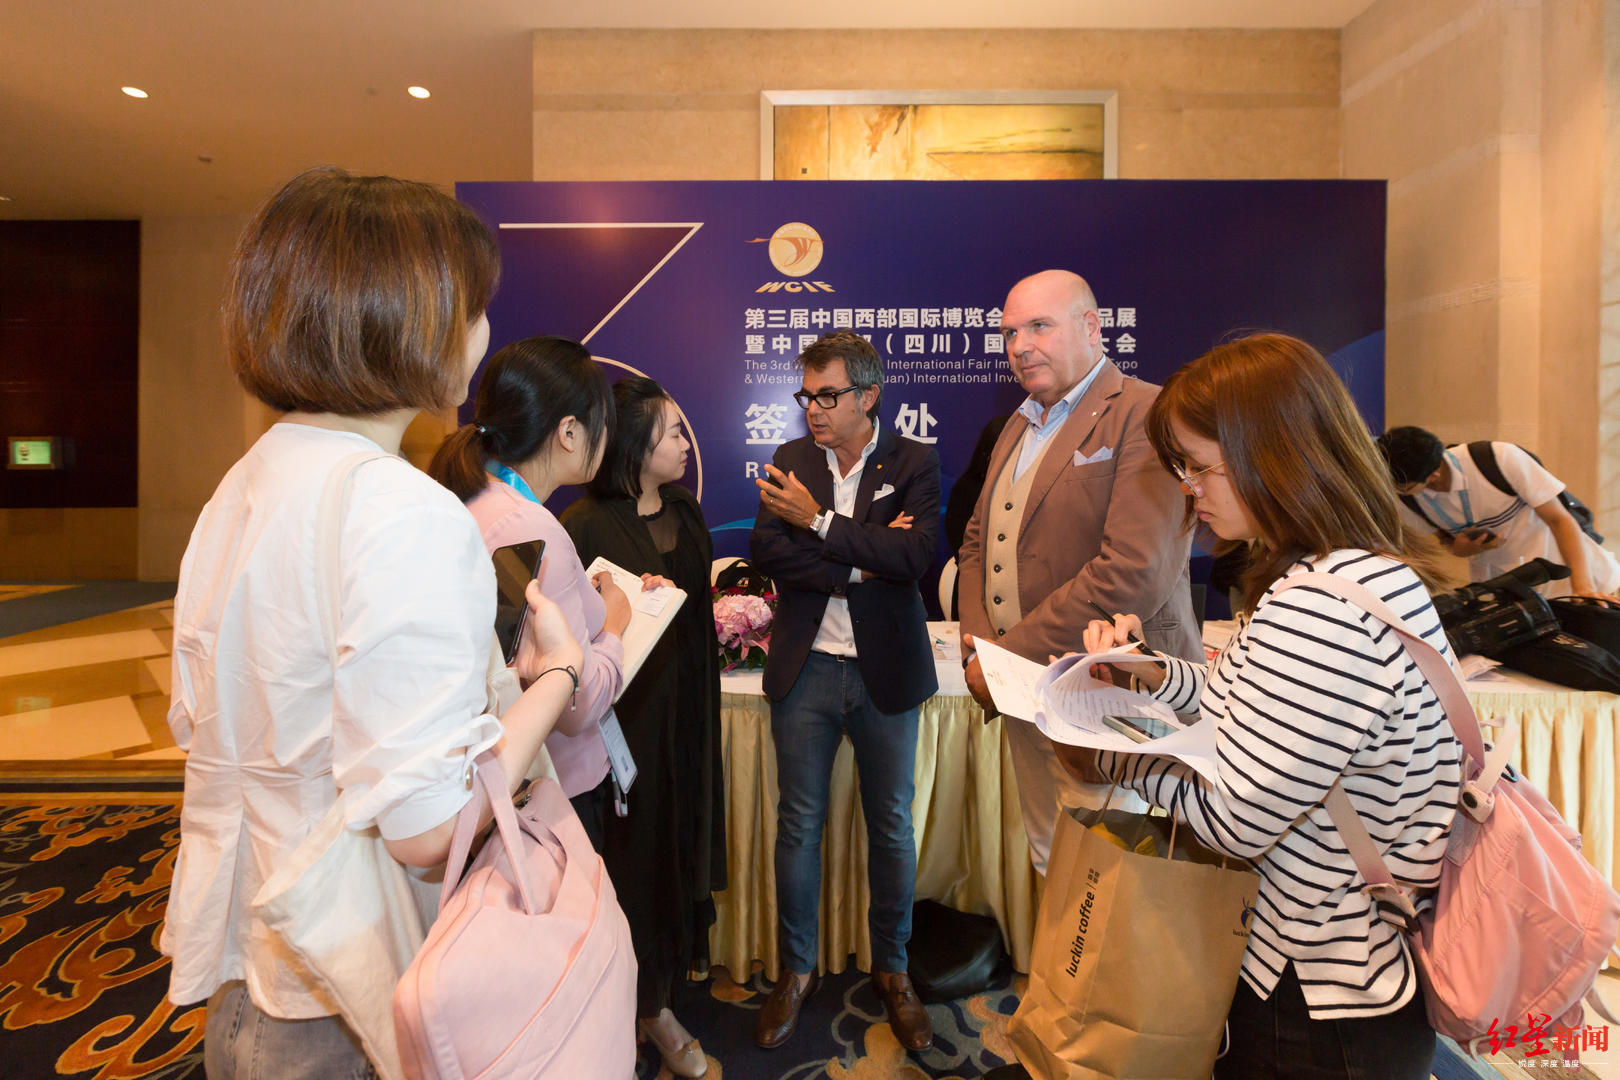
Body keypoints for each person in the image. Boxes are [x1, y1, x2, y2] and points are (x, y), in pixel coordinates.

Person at [161, 168, 585, 1077]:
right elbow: (429, 828)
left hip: (257, 967)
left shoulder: (244, 484)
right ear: (414, 318)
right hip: (349, 993)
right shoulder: (402, 510)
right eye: (474, 306)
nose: (483, 332)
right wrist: (557, 676)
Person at [1078, 333, 1462, 1079]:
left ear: (1273, 454)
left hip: (1318, 987)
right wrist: (1149, 673)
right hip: (1347, 961)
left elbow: (1236, 818)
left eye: (1200, 467)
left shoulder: (1321, 609)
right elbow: (1245, 697)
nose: (1190, 489)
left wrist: (1105, 750)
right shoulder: (1348, 575)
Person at [957, 268, 1201, 874]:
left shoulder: (1146, 411)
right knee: (1052, 861)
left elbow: (1132, 570)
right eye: (1010, 333)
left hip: (1112, 693)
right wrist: (985, 652)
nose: (1020, 346)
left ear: (1092, 327)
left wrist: (1006, 658)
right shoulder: (1019, 423)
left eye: (1039, 326)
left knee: (1119, 880)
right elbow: (976, 541)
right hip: (1025, 692)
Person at [749, 330, 941, 1053]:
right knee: (799, 824)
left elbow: (914, 556)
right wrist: (861, 563)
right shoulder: (793, 459)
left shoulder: (914, 461)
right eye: (807, 395)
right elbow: (768, 550)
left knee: (891, 825)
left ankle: (893, 969)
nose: (814, 409)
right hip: (807, 669)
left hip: (884, 670)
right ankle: (796, 970)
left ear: (869, 395)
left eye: (828, 396)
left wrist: (820, 524)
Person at [430, 334, 670, 851]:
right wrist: (612, 625)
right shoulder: (531, 529)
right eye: (602, 423)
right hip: (551, 793)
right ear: (568, 431)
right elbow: (574, 701)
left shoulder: (476, 499)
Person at [560, 376, 725, 1079]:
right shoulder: (584, 525)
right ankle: (626, 1006)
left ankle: (654, 999)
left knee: (678, 846)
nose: (686, 442)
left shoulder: (685, 509)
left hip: (685, 712)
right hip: (621, 729)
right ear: (634, 445)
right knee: (630, 859)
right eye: (672, 432)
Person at [1377, 425, 1620, 598]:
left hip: (1573, 580)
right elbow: (1447, 542)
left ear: (1433, 475)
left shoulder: (1498, 459)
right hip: (1512, 595)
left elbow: (1559, 520)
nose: (1396, 492)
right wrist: (1462, 549)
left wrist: (1583, 586)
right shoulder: (1410, 500)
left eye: (1403, 487)